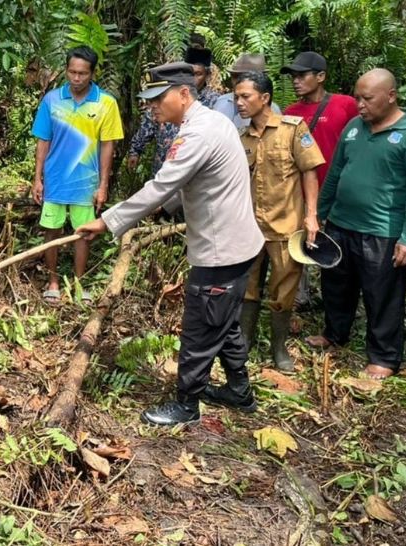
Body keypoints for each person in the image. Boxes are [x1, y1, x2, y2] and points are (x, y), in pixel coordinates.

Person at [76, 62, 264, 426]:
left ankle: (186, 404)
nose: (152, 107)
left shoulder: (197, 133)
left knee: (200, 327)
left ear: (183, 94)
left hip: (221, 252)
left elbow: (161, 186)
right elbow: (196, 180)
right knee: (224, 322)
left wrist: (107, 221)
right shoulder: (213, 122)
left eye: (158, 99)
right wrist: (166, 208)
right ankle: (239, 391)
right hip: (237, 246)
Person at [306, 69, 406, 379]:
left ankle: (384, 357)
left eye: (367, 98)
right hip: (341, 224)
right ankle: (335, 333)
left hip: (382, 231)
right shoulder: (354, 127)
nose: (360, 105)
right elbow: (335, 173)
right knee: (337, 285)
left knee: (382, 296)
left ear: (391, 96)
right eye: (357, 98)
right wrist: (319, 213)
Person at [235, 71, 325, 371]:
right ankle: (244, 342)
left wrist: (311, 215)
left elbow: (309, 170)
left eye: (245, 96)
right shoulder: (242, 137)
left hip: (285, 225)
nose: (239, 102)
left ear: (265, 98)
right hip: (250, 227)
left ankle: (278, 348)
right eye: (236, 97)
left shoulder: (292, 129)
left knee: (284, 289)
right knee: (248, 286)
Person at [31, 46, 124, 305]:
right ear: (66, 70)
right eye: (72, 72)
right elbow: (43, 141)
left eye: (82, 73)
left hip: (86, 182)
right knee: (51, 230)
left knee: (83, 233)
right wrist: (37, 178)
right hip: (55, 180)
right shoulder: (52, 100)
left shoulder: (106, 103)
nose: (76, 78)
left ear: (92, 73)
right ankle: (53, 282)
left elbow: (108, 146)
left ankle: (79, 283)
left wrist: (103, 185)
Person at [281, 51, 359, 308]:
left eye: (301, 75)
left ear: (321, 76)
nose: (295, 81)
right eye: (293, 77)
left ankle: (341, 302)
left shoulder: (345, 105)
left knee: (339, 247)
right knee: (301, 243)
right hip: (301, 193)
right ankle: (300, 299)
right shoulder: (290, 112)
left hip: (338, 193)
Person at [126, 47, 220, 177]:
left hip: (193, 172)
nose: (193, 79)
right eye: (190, 74)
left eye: (198, 74)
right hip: (163, 168)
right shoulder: (167, 97)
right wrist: (135, 151)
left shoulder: (215, 102)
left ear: (207, 75)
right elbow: (148, 124)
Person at [212, 53, 280, 129]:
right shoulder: (222, 102)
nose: (238, 81)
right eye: (235, 76)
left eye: (245, 77)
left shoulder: (272, 109)